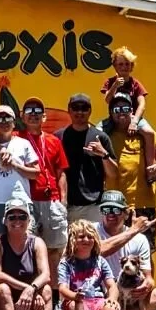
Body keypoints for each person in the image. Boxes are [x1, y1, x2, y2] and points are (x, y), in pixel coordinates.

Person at [100, 92, 156, 248]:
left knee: (145, 250)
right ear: (111, 113)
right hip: (114, 205)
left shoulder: (144, 134)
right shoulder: (105, 136)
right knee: (113, 249)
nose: (121, 113)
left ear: (132, 111)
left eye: (125, 108)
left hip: (143, 203)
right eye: (117, 110)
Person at [94, 190, 156, 310]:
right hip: (101, 294)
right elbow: (100, 250)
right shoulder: (91, 230)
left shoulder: (140, 239)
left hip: (129, 295)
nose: (111, 214)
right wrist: (133, 230)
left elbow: (148, 277)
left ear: (126, 213)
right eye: (106, 209)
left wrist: (146, 286)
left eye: (116, 210)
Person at [0, 105, 39, 239]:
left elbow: (35, 173)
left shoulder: (23, 144)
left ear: (14, 123)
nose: (4, 122)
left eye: (8, 118)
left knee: (23, 242)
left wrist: (14, 165)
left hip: (19, 200)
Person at [18, 98, 70, 261]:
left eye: (38, 111)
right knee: (27, 250)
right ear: (22, 117)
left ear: (44, 117)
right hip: (26, 201)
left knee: (54, 250)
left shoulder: (54, 140)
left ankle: (53, 279)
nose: (33, 114)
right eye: (29, 111)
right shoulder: (15, 139)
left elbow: (61, 173)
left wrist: (63, 201)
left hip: (51, 201)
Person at [57, 93, 118, 225]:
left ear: (90, 111)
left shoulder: (101, 137)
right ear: (69, 110)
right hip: (65, 206)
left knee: (94, 239)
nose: (80, 112)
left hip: (93, 207)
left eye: (84, 108)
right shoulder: (59, 137)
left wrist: (104, 154)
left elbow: (113, 174)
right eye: (75, 107)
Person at [101, 46, 156, 165]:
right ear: (115, 66)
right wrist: (115, 86)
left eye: (127, 64)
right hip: (113, 118)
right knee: (96, 133)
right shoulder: (110, 82)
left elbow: (142, 104)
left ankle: (150, 165)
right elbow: (107, 100)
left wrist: (134, 122)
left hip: (133, 117)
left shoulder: (135, 84)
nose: (124, 67)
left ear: (132, 66)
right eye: (120, 64)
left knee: (149, 133)